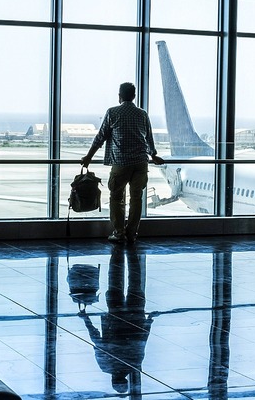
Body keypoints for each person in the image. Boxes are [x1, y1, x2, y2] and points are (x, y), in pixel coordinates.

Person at [80, 82, 164, 243]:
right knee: (136, 199)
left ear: (120, 96)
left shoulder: (113, 112)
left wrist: (89, 157)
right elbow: (149, 137)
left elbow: (100, 137)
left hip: (121, 162)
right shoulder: (142, 114)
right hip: (141, 163)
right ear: (134, 96)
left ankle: (119, 233)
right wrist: (153, 155)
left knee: (117, 197)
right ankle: (132, 234)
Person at [78, 244, 157, 394]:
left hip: (135, 316)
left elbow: (142, 338)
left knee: (135, 280)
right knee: (115, 280)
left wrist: (150, 320)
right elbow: (96, 338)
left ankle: (129, 252)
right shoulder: (106, 365)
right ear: (113, 380)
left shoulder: (134, 363)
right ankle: (117, 253)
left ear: (126, 380)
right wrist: (85, 319)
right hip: (114, 317)